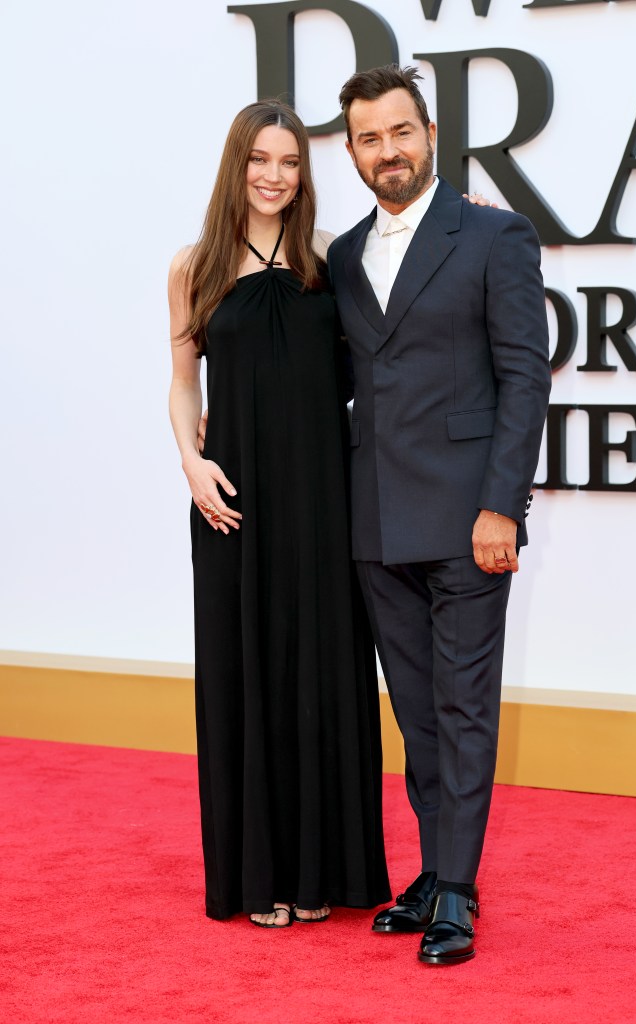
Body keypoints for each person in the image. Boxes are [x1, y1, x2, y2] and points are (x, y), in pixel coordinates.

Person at [326, 65, 552, 965]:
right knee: (415, 713)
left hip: (467, 522)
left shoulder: (495, 235)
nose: (388, 150)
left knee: (462, 710)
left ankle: (454, 889)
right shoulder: (342, 256)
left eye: (401, 132)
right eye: (368, 138)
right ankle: (434, 868)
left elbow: (524, 378)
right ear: (351, 151)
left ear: (429, 134)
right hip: (375, 524)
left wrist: (500, 505)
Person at [167, 99, 393, 927]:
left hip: (322, 496)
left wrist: (471, 209)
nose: (274, 175)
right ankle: (258, 875)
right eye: (260, 159)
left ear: (304, 174)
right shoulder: (193, 266)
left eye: (290, 162)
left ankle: (324, 874)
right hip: (231, 502)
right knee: (246, 670)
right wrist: (190, 461)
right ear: (237, 165)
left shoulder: (330, 259)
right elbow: (183, 378)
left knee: (324, 669)